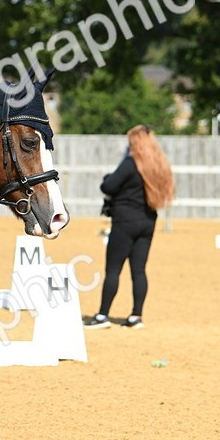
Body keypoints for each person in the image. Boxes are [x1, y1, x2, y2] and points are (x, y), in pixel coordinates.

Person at [85, 125, 175, 329]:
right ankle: (136, 316)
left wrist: (107, 178)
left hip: (125, 221)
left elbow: (108, 186)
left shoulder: (131, 163)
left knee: (113, 269)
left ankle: (102, 316)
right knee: (139, 270)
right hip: (148, 220)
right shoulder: (158, 165)